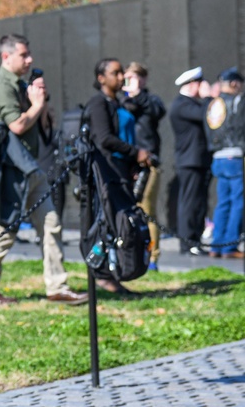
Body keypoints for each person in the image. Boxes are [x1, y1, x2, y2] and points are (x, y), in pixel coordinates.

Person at [0, 35, 88, 306]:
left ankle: (57, 286)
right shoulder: (1, 87)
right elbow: (17, 126)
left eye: (29, 54)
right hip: (13, 169)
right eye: (23, 55)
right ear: (6, 57)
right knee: (6, 228)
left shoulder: (20, 85)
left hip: (30, 168)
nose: (29, 60)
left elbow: (44, 126)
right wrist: (35, 105)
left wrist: (41, 102)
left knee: (51, 223)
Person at [84, 58, 152, 294]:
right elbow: (104, 138)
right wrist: (136, 153)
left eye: (122, 72)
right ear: (101, 78)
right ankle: (102, 276)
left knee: (120, 225)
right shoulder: (97, 104)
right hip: (106, 174)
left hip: (122, 173)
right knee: (105, 224)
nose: (121, 76)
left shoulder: (119, 103)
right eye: (115, 73)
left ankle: (115, 273)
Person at [121, 62, 166, 270]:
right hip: (126, 164)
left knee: (147, 210)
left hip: (148, 164)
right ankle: (133, 253)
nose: (129, 82)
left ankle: (153, 256)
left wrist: (138, 94)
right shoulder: (122, 102)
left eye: (134, 78)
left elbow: (157, 111)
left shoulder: (150, 100)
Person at [170, 67, 211, 255]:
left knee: (199, 202)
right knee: (189, 203)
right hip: (189, 161)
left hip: (199, 160)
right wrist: (209, 97)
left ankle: (195, 239)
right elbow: (207, 114)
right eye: (199, 83)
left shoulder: (190, 104)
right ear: (192, 84)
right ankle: (187, 243)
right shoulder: (182, 105)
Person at [204, 68, 244, 259]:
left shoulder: (214, 103)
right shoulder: (237, 101)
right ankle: (230, 247)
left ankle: (216, 245)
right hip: (234, 156)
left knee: (223, 203)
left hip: (218, 157)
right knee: (238, 202)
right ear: (235, 83)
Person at [29, 69, 67, 224]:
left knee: (55, 214)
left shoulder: (47, 111)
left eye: (44, 86)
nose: (42, 90)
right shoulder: (29, 108)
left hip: (52, 168)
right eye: (38, 86)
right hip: (37, 167)